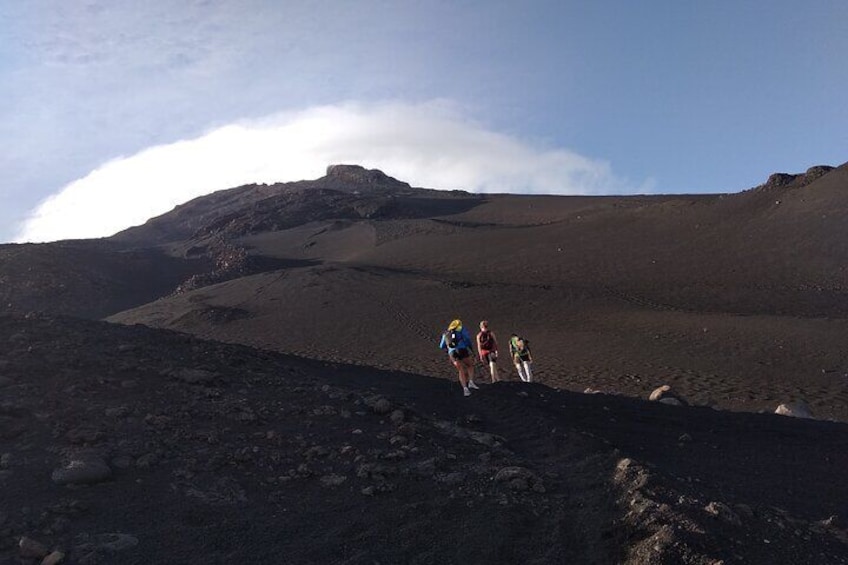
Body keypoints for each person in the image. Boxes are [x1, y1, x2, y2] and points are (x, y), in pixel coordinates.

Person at [439, 319, 479, 396]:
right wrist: (470, 348)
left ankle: (465, 389)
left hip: (452, 353)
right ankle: (471, 382)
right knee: (470, 365)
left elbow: (441, 346)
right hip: (462, 349)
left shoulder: (446, 333)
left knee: (460, 370)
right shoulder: (461, 330)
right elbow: (467, 339)